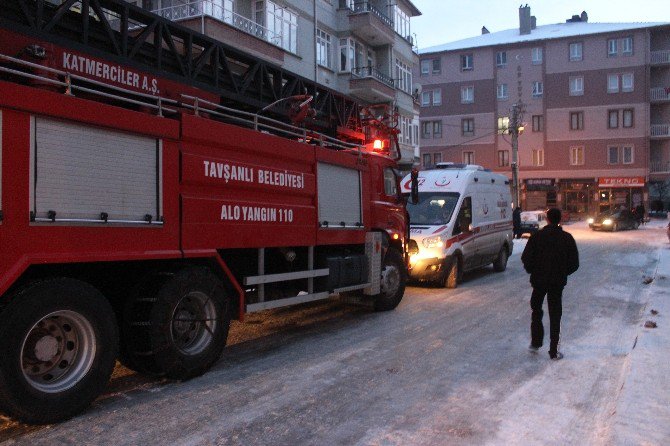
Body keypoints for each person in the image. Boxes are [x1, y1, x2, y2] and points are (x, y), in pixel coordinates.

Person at [521, 208, 579, 360]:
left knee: (536, 311)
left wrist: (533, 271)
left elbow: (526, 258)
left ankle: (535, 342)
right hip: (556, 283)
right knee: (555, 315)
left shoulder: (537, 237)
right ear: (559, 220)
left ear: (547, 219)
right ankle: (553, 351)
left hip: (539, 281)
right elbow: (575, 263)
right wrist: (563, 273)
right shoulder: (566, 238)